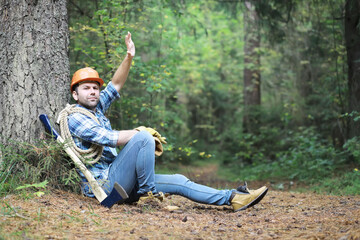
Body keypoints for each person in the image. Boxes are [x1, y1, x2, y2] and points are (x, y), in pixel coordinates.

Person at [66, 32, 268, 211]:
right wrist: (140, 133)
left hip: (121, 179)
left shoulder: (97, 108)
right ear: (75, 95)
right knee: (144, 137)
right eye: (86, 88)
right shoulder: (75, 117)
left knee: (179, 181)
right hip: (105, 186)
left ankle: (233, 197)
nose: (93, 91)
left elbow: (116, 84)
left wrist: (129, 57)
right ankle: (149, 195)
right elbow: (108, 137)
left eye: (95, 87)